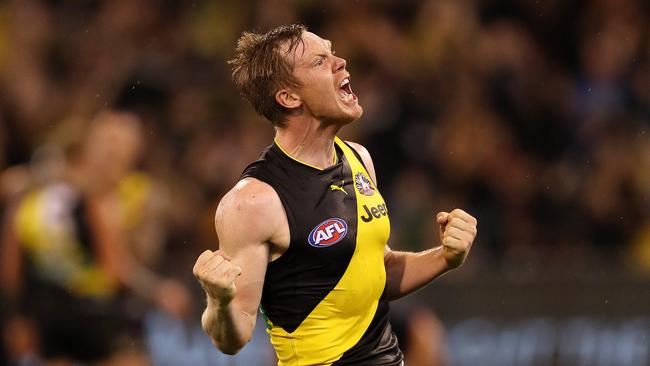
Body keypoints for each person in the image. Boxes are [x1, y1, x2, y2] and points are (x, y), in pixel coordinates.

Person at [193, 24, 478, 365]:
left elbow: (377, 272)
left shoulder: (359, 159)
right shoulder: (253, 201)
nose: (341, 62)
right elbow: (232, 337)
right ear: (289, 97)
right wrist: (220, 301)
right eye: (319, 61)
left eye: (333, 52)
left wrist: (445, 257)